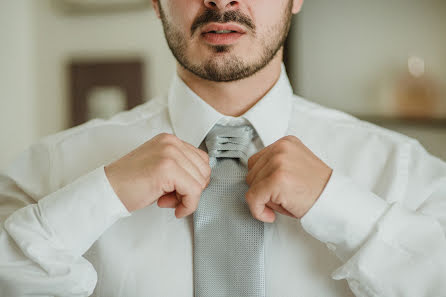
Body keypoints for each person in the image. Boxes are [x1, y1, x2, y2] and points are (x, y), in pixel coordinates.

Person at [1, 0, 445, 296]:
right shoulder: (44, 174)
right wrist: (102, 194)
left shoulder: (412, 177)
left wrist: (343, 209)